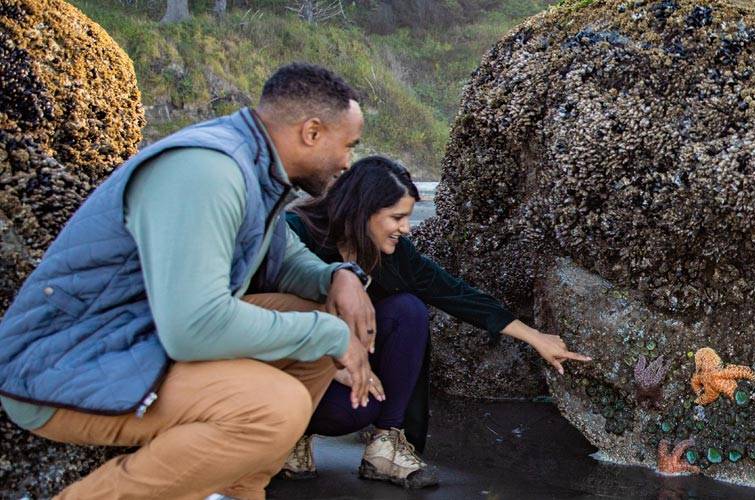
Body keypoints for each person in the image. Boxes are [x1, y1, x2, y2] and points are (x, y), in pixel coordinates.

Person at [0, 63, 380, 500]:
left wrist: (339, 278)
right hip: (62, 364)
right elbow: (194, 329)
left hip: (139, 339)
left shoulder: (255, 167)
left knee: (314, 326)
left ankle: (236, 490)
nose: (347, 163)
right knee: (274, 407)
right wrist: (330, 333)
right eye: (348, 145)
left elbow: (285, 262)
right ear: (311, 132)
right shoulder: (208, 171)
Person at [276, 155, 593, 488]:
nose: (406, 228)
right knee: (347, 408)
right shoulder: (295, 235)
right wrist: (330, 363)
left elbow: (452, 292)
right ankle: (290, 438)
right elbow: (259, 312)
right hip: (289, 367)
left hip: (344, 365)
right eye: (397, 217)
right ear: (362, 210)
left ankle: (387, 446)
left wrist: (534, 336)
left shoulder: (391, 253)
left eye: (408, 217)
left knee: (407, 310)